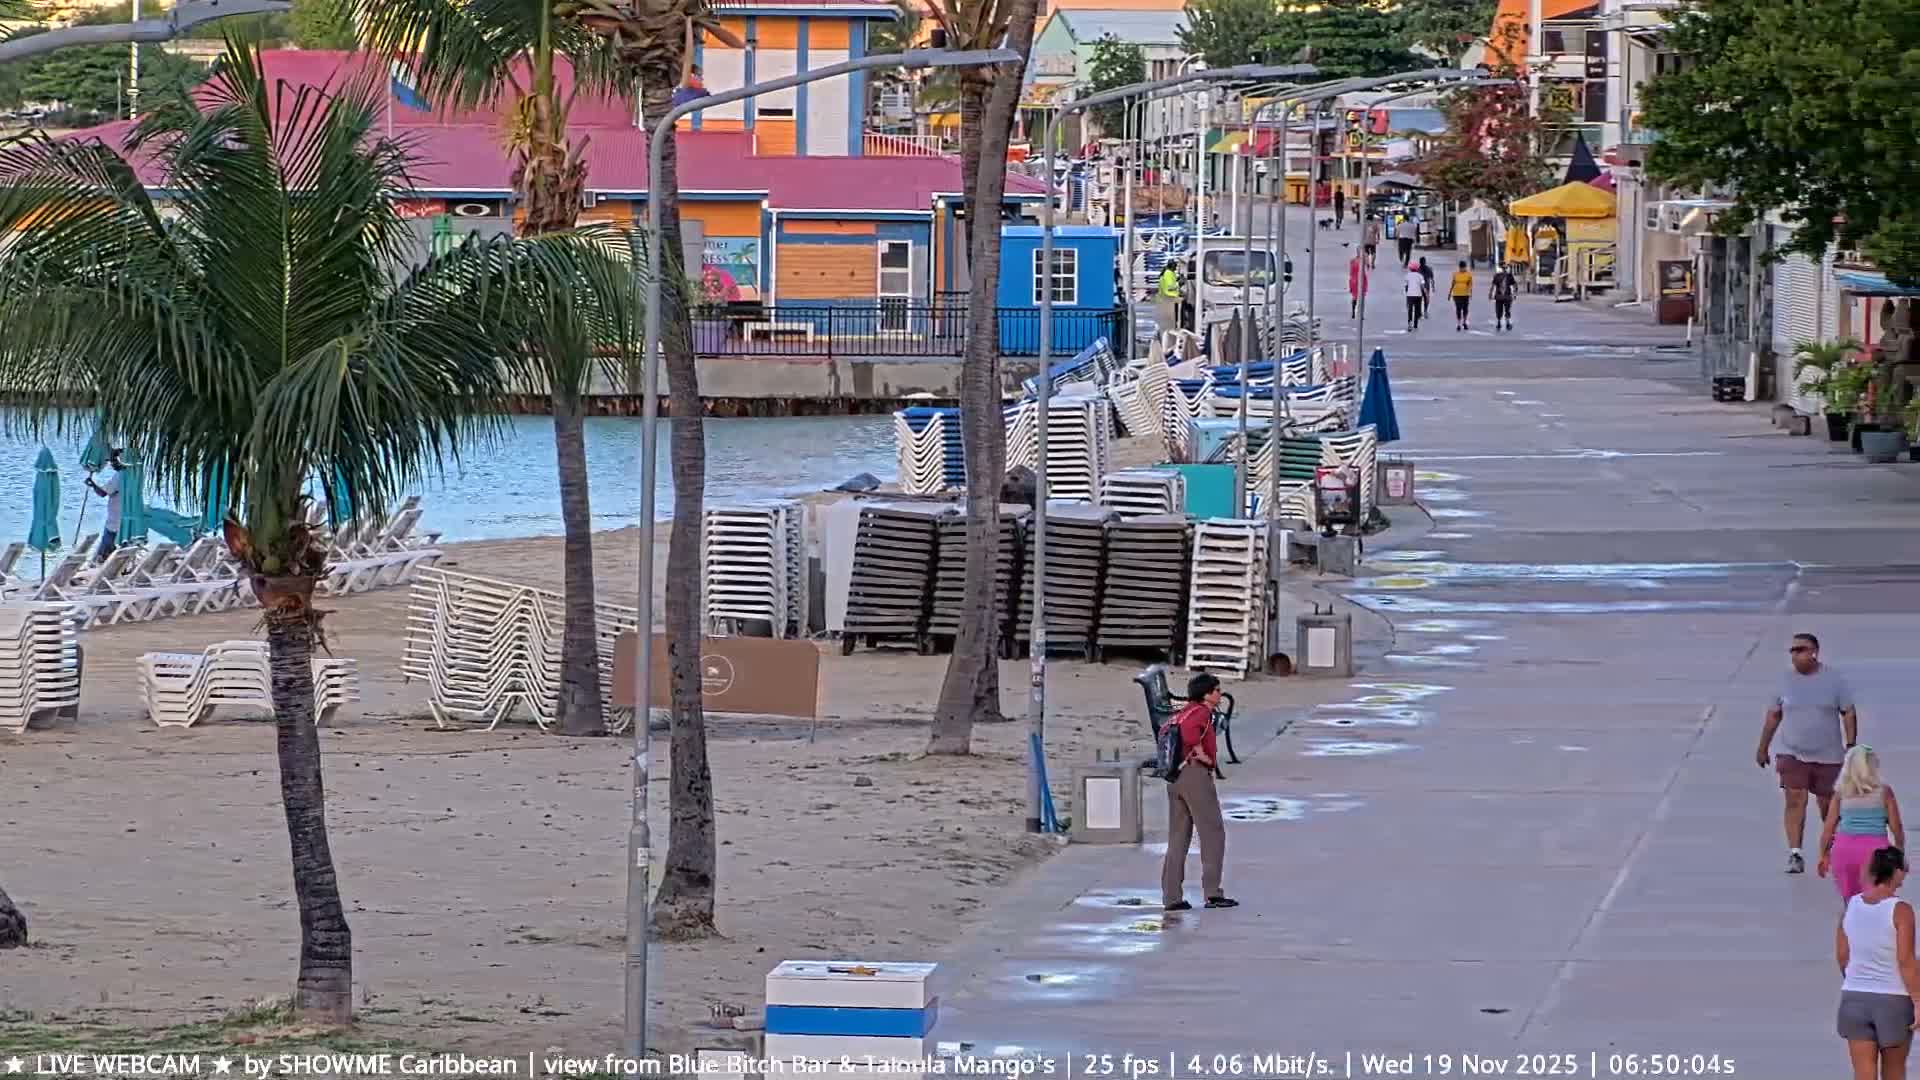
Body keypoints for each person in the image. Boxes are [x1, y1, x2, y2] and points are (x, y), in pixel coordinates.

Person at [1759, 632, 1859, 874]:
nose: (1795, 654)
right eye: (1792, 650)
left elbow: (1848, 712)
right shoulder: (1784, 681)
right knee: (1795, 800)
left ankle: (1833, 850)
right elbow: (1774, 715)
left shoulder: (1834, 680)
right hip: (1791, 752)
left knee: (1828, 805)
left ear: (1814, 652)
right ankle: (1795, 854)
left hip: (1828, 755)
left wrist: (1851, 744)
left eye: (1800, 649)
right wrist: (1763, 746)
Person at [1836, 847, 1920, 1079]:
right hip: (1894, 1000)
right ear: (1897, 873)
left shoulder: (1851, 905)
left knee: (1863, 1073)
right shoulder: (1901, 910)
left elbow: (1842, 954)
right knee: (1894, 1071)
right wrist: (1918, 1001)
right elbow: (1905, 961)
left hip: (1854, 998)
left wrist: (1856, 979)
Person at [1161, 673, 1236, 912]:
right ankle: (1213, 893)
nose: (1219, 694)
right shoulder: (1202, 713)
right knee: (1213, 832)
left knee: (1178, 837)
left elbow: (1167, 731)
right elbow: (1191, 735)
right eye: (1216, 691)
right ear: (1206, 694)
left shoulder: (1183, 711)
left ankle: (1172, 895)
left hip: (1175, 777)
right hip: (1194, 775)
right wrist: (1201, 756)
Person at [1823, 747, 1907, 902]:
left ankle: (1852, 925)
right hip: (1876, 854)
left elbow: (1828, 830)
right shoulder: (1884, 792)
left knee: (1851, 902)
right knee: (1877, 901)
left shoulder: (1841, 793)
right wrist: (1900, 853)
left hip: (1844, 852)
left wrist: (1823, 855)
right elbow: (1897, 829)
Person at [84, 449, 124, 564]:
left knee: (102, 555)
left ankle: (94, 571)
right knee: (116, 553)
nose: (111, 464)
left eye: (113, 461)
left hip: (114, 523)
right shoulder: (132, 476)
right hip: (125, 522)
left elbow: (103, 493)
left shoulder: (119, 476)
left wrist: (92, 484)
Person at [1490, 262, 1518, 331]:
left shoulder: (1497, 275)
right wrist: (1515, 293)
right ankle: (1507, 323)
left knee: (1499, 310)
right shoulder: (1509, 275)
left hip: (1499, 296)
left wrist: (1490, 294)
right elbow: (1515, 285)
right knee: (1507, 310)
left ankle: (1500, 323)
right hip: (1507, 297)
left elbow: (1493, 286)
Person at [1156, 263, 1181, 335]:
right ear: (1171, 266)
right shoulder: (1168, 273)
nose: (1176, 268)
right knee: (1170, 320)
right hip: (1169, 299)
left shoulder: (1167, 274)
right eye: (1175, 266)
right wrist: (1178, 284)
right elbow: (1169, 287)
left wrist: (1177, 280)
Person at [1449, 260, 1474, 331]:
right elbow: (1453, 283)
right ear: (1459, 267)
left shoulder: (1469, 275)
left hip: (1466, 294)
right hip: (1457, 294)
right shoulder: (1455, 274)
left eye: (1464, 267)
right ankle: (1458, 324)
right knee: (1458, 309)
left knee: (1465, 309)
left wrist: (1470, 293)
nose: (1463, 269)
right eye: (1461, 268)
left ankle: (1465, 322)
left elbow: (1470, 285)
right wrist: (1450, 293)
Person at [1403, 262, 1425, 331]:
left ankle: (1410, 323)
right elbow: (1422, 286)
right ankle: (1415, 324)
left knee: (1410, 309)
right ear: (1417, 269)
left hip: (1410, 295)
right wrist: (1423, 294)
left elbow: (1406, 286)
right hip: (1418, 295)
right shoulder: (1420, 276)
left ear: (1410, 268)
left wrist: (1407, 293)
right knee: (1417, 310)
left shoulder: (1407, 276)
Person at [1348, 252, 1369, 319]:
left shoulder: (1352, 261)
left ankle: (1353, 312)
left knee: (1354, 297)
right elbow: (1367, 269)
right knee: (1361, 298)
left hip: (1354, 280)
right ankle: (1361, 314)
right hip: (1361, 279)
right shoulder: (1363, 261)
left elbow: (1351, 272)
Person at [1416, 257, 1435, 322]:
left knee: (1424, 299)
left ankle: (1424, 311)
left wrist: (1433, 286)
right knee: (1423, 299)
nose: (1422, 263)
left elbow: (1432, 279)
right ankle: (1423, 312)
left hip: (1423, 287)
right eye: (1422, 262)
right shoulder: (1420, 269)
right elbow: (1432, 279)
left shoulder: (1419, 269)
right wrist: (1433, 286)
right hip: (1423, 287)